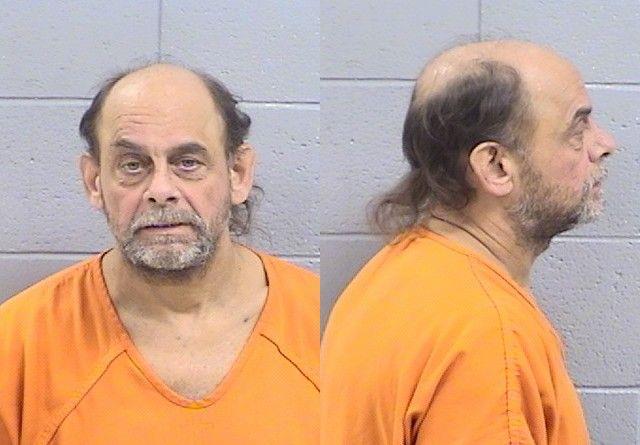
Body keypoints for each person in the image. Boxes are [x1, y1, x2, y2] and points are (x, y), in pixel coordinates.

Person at [0, 63, 318, 444]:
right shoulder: (17, 346)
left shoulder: (322, 328)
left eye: (188, 163)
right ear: (94, 182)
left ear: (238, 173)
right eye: (132, 165)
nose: (161, 190)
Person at [321, 40, 615, 444]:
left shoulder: (391, 275)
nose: (604, 144)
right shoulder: (491, 338)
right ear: (496, 166)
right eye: (577, 131)